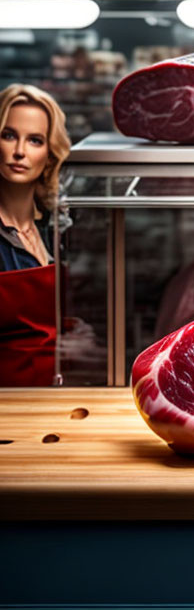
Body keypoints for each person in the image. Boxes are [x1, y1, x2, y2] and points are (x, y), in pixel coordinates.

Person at [0, 84, 70, 386]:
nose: (19, 152)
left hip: (62, 390)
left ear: (49, 155)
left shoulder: (57, 227)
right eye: (9, 135)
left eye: (35, 140)